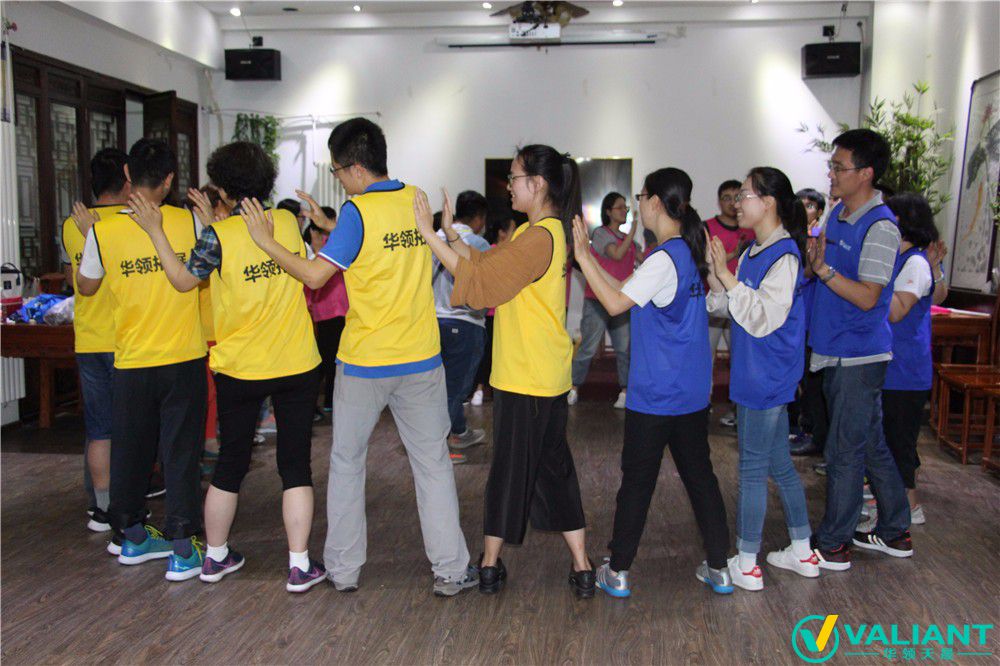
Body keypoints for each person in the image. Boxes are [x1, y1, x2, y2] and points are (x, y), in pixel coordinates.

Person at [242, 117, 476, 597]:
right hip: (420, 359)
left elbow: (314, 276)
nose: (339, 181)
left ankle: (345, 571)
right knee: (433, 465)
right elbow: (385, 248)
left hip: (365, 362)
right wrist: (333, 226)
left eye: (337, 172)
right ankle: (452, 570)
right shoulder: (415, 198)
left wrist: (267, 243)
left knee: (348, 465)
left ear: (354, 170)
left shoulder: (357, 212)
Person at [128, 141, 325, 591]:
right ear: (266, 180)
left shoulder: (216, 238)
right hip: (295, 361)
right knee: (295, 465)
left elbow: (183, 281)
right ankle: (299, 565)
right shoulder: (287, 222)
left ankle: (215, 558)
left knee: (230, 464)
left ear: (222, 188)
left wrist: (157, 231)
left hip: (239, 367)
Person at [414, 145, 595, 598]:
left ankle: (490, 565)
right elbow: (490, 266)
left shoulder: (539, 236)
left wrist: (430, 236)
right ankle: (582, 566)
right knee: (553, 469)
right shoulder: (538, 232)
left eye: (514, 178)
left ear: (538, 183)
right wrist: (450, 236)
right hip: (542, 373)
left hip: (526, 375)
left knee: (511, 471)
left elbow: (485, 283)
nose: (509, 186)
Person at [570, 167, 732, 598]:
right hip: (689, 392)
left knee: (637, 483)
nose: (637, 205)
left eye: (641, 197)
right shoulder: (684, 252)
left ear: (656, 202)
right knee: (701, 479)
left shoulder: (664, 258)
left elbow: (614, 303)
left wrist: (583, 255)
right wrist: (591, 261)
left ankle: (618, 570)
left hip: (658, 394)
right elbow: (625, 288)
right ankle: (720, 567)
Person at [74, 138, 207, 580]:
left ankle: (131, 536)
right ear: (169, 180)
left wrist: (95, 246)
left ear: (128, 175)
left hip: (131, 361)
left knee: (131, 450)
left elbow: (87, 287)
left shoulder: (102, 230)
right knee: (180, 452)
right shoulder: (189, 222)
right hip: (183, 357)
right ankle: (182, 548)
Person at [705, 167, 819, 591]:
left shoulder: (784, 254)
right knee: (778, 464)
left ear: (769, 202)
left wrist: (727, 275)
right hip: (759, 371)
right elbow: (729, 306)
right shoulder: (755, 249)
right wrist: (716, 272)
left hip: (766, 374)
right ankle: (803, 551)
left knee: (752, 468)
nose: (738, 203)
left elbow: (763, 318)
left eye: (745, 195)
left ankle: (748, 562)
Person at [807, 128, 913, 570]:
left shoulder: (881, 226)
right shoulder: (839, 212)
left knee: (844, 452)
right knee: (869, 445)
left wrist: (823, 271)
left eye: (839, 167)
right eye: (831, 166)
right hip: (837, 347)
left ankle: (834, 544)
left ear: (866, 173)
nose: (831, 174)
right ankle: (895, 530)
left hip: (858, 355)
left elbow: (870, 296)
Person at [866, 193, 948, 527]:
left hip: (905, 368)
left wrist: (866, 286)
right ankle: (890, 503)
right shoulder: (905, 258)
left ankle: (906, 510)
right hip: (893, 365)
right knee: (890, 438)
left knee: (898, 442)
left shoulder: (914, 261)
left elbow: (898, 310)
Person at [62, 148, 130, 532]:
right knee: (130, 427)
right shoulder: (132, 222)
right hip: (127, 339)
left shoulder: (71, 224)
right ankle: (126, 503)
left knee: (99, 427)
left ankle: (100, 508)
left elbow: (74, 279)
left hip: (88, 339)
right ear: (127, 177)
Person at [567, 192, 639, 409]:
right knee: (588, 347)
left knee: (624, 349)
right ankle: (573, 387)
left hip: (621, 299)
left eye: (625, 207)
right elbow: (616, 254)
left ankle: (625, 391)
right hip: (597, 299)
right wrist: (634, 229)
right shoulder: (600, 234)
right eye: (619, 207)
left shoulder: (629, 241)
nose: (624, 211)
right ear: (608, 211)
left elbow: (640, 258)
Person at [432, 190, 492, 453]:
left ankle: (457, 430)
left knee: (437, 387)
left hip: (433, 322)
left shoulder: (434, 238)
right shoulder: (478, 243)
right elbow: (487, 285)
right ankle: (442, 449)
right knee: (455, 389)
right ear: (479, 217)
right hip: (465, 322)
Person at [189, 183, 232, 478]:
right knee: (209, 392)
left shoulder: (216, 232)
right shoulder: (208, 235)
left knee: (214, 392)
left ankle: (211, 440)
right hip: (208, 328)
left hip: (217, 326)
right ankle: (208, 442)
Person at [705, 179, 755, 428]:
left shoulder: (752, 229)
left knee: (740, 357)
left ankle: (738, 409)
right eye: (726, 198)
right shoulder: (708, 227)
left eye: (737, 197)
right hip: (714, 301)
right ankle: (702, 403)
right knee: (706, 356)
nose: (732, 203)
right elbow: (702, 261)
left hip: (742, 302)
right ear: (719, 201)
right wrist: (731, 254)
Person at [299, 199, 348, 417]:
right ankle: (318, 403)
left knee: (330, 359)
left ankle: (328, 401)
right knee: (327, 359)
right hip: (329, 310)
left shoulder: (327, 244)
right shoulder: (323, 246)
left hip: (333, 309)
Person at [790, 188, 828, 457]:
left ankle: (816, 434)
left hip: (813, 321)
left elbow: (809, 274)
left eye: (811, 205)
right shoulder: (792, 237)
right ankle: (801, 427)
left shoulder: (820, 239)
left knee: (813, 383)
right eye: (800, 204)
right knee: (799, 378)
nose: (805, 209)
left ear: (820, 211)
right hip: (795, 319)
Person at [469, 211, 517, 407]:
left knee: (498, 355)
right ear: (502, 233)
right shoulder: (492, 252)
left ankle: (491, 391)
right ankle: (480, 389)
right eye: (513, 230)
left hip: (503, 313)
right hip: (491, 313)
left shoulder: (511, 254)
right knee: (488, 353)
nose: (516, 234)